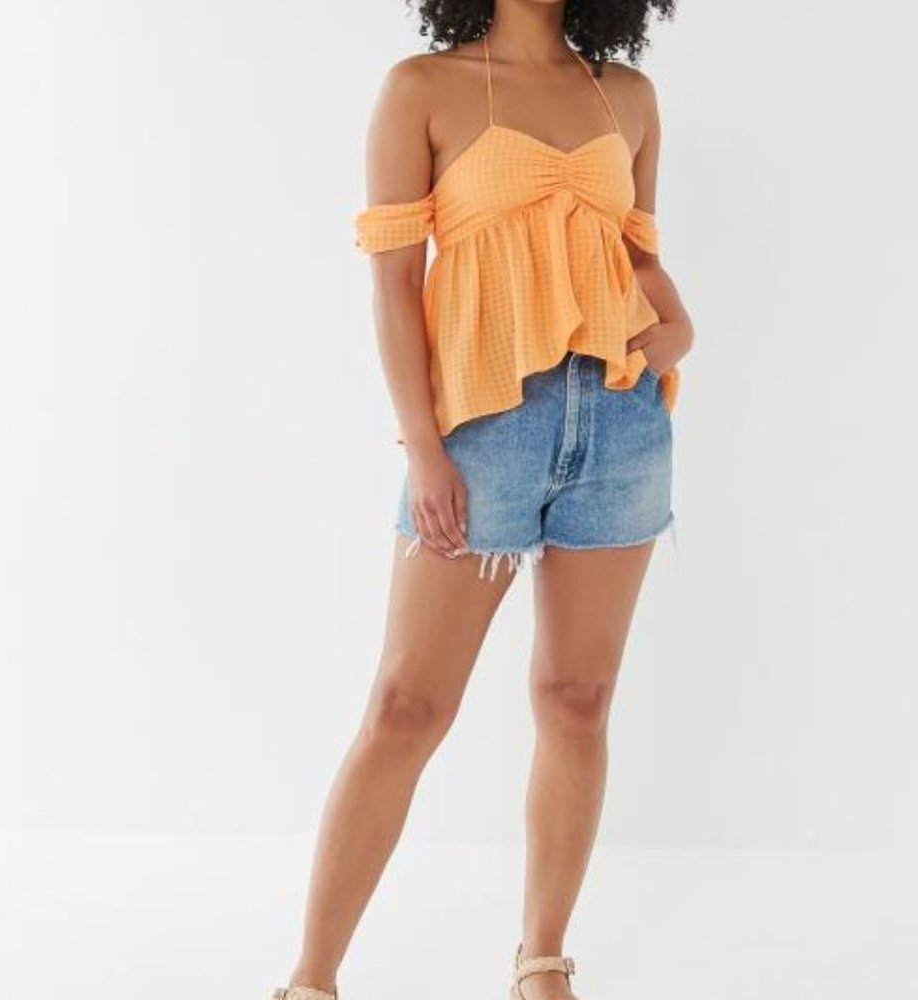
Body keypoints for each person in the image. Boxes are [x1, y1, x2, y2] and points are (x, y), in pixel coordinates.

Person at [270, 1, 693, 998]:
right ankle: (312, 977)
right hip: (481, 428)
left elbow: (638, 256)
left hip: (621, 423)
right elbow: (392, 283)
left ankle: (541, 959)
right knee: (405, 704)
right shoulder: (421, 89)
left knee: (576, 699)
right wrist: (423, 448)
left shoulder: (626, 96)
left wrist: (677, 327)